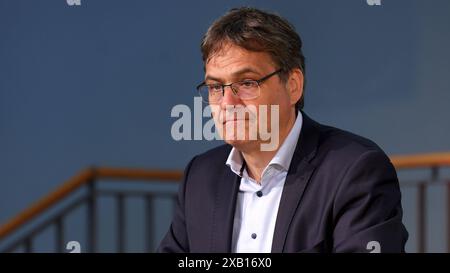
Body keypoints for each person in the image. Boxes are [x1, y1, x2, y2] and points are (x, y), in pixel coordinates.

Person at [158, 7, 408, 253]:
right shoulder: (200, 177)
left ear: (293, 86)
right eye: (215, 87)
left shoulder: (355, 170)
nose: (227, 103)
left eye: (247, 83)